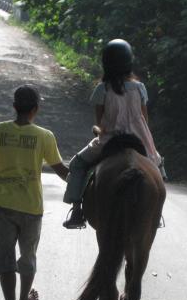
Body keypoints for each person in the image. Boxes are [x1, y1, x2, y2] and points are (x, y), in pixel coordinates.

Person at [0, 84, 68, 300]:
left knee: (5, 260)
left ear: (14, 107)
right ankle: (23, 299)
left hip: (4, 205)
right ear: (35, 109)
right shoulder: (44, 136)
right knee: (27, 257)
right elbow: (60, 170)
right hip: (32, 207)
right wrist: (82, 184)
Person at [63, 38, 165, 229]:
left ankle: (77, 211)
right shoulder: (140, 88)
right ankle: (157, 211)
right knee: (158, 165)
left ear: (106, 63)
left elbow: (101, 124)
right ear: (129, 63)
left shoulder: (102, 89)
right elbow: (144, 119)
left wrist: (98, 130)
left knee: (77, 164)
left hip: (110, 140)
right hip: (139, 140)